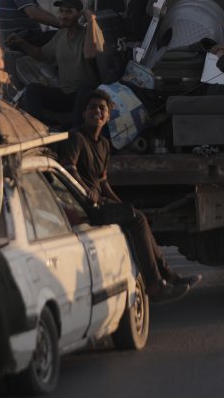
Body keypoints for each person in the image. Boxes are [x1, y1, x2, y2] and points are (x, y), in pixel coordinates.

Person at [59, 90, 201, 303]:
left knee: (136, 215)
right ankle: (155, 285)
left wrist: (119, 203)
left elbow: (103, 182)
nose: (96, 111)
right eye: (92, 107)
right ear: (84, 114)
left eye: (102, 108)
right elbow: (69, 169)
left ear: (108, 116)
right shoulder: (76, 138)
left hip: (100, 203)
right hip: (83, 205)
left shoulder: (104, 145)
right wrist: (85, 191)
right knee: (138, 219)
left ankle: (168, 276)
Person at [8, 0, 101, 129]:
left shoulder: (88, 33)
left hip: (85, 95)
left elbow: (90, 54)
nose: (63, 15)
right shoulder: (60, 36)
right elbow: (40, 54)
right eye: (61, 11)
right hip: (65, 95)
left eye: (69, 11)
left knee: (84, 90)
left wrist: (91, 20)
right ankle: (39, 128)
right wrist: (21, 42)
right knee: (32, 90)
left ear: (79, 14)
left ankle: (75, 133)